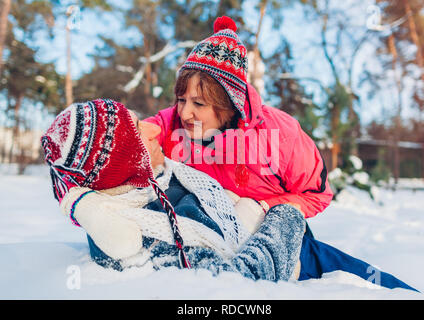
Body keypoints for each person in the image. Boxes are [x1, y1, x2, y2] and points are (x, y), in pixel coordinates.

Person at [41, 98, 306, 281]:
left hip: (260, 229)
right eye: (138, 128)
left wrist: (246, 207)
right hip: (278, 240)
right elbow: (238, 283)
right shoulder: (153, 237)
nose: (154, 129)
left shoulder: (162, 179)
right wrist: (284, 218)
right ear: (123, 161)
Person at [144, 16, 334, 220]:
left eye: (198, 103)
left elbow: (316, 195)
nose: (184, 113)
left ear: (230, 105)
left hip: (271, 233)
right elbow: (133, 136)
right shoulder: (170, 123)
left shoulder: (279, 136)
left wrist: (261, 209)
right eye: (181, 100)